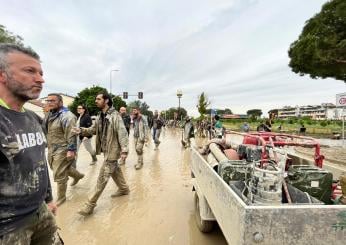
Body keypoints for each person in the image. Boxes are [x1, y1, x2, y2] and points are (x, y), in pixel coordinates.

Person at [0, 43, 63, 244]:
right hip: (8, 227)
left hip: (40, 213)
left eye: (41, 72)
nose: (40, 79)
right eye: (30, 71)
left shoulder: (33, 119)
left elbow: (39, 163)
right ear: (2, 75)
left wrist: (48, 199)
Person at [75, 91, 129, 216]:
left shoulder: (115, 116)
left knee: (102, 176)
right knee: (114, 170)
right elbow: (93, 130)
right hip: (106, 150)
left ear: (106, 101)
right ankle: (124, 189)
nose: (96, 101)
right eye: (96, 99)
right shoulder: (100, 116)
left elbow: (123, 133)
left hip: (113, 150)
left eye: (98, 99)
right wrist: (81, 130)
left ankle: (90, 204)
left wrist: (124, 150)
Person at [45, 93, 85, 206]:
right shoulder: (51, 114)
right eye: (48, 101)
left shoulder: (67, 116)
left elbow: (71, 134)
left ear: (60, 102)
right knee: (57, 168)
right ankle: (78, 175)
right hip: (52, 147)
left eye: (52, 101)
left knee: (59, 173)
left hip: (63, 148)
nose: (49, 103)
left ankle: (61, 198)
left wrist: (71, 150)